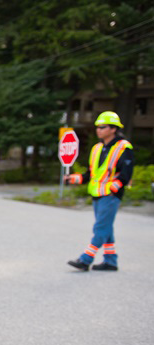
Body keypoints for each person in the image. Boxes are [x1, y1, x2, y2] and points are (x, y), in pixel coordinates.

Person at [65, 111, 134, 271]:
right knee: (106, 228)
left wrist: (113, 189)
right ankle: (111, 261)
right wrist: (74, 178)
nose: (98, 130)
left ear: (113, 129)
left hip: (110, 195)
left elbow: (126, 173)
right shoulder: (97, 149)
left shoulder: (124, 147)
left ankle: (85, 259)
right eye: (97, 127)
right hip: (97, 194)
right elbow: (91, 174)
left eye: (102, 127)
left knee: (100, 228)